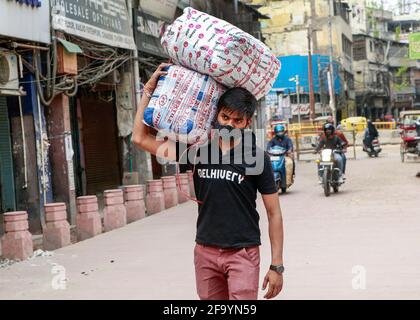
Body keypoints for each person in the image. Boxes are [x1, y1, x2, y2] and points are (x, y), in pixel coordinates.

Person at [132, 63, 285, 300]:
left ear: (247, 122)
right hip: (205, 251)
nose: (229, 125)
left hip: (242, 253)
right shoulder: (197, 151)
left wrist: (277, 266)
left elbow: (274, 213)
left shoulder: (257, 158)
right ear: (216, 114)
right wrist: (148, 92)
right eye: (225, 117)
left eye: (237, 121)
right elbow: (140, 138)